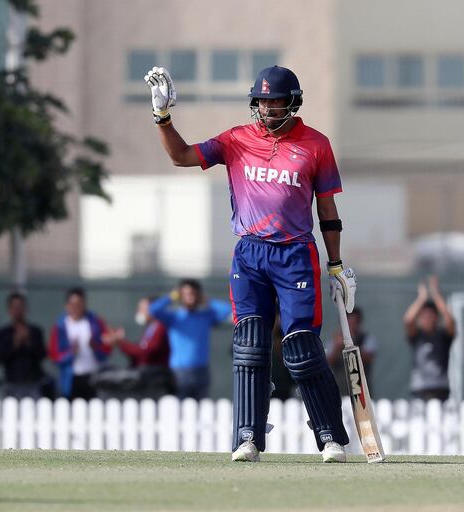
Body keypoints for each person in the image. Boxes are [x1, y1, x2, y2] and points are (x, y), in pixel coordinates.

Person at [145, 64, 357, 462]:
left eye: (276, 100)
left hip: (295, 253)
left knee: (302, 347)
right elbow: (181, 156)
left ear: (292, 102)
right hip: (250, 252)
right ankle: (249, 438)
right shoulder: (236, 140)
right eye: (262, 101)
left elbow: (327, 209)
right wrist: (163, 117)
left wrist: (336, 264)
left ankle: (330, 437)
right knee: (249, 344)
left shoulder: (316, 144)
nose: (269, 108)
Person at [148, 279, 231, 400]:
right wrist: (173, 296)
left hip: (201, 371)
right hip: (179, 372)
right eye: (186, 294)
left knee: (203, 409)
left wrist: (206, 300)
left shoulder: (206, 316)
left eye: (193, 294)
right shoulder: (174, 317)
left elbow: (228, 310)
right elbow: (153, 310)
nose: (190, 297)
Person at [48, 287, 112, 400]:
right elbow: (54, 356)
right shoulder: (60, 326)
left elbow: (106, 349)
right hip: (70, 378)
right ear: (67, 305)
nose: (76, 307)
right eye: (72, 304)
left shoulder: (95, 322)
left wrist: (95, 347)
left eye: (79, 303)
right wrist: (71, 353)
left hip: (92, 375)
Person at [403, 276, 457, 401]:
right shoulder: (417, 336)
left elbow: (450, 321)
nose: (427, 319)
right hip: (420, 388)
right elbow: (408, 320)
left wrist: (436, 294)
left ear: (436, 318)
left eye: (431, 316)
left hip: (441, 388)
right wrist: (422, 298)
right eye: (424, 316)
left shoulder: (443, 336)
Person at [0, 292, 47, 399]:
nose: (18, 310)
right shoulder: (3, 333)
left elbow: (42, 355)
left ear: (26, 309)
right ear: (9, 310)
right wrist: (15, 343)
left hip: (33, 383)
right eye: (15, 307)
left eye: (20, 307)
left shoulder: (35, 331)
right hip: (12, 383)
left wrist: (28, 342)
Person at [325, 307, 377, 394]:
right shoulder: (334, 340)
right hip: (339, 391)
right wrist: (337, 348)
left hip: (361, 392)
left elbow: (369, 358)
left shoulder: (367, 339)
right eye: (349, 322)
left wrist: (351, 345)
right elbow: (328, 362)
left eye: (355, 322)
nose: (352, 326)